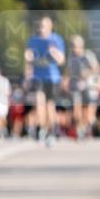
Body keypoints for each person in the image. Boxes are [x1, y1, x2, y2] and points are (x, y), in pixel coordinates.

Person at [24, 15, 65, 146]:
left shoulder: (56, 39)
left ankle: (52, 131)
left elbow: (61, 60)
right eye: (40, 26)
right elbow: (28, 60)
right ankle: (41, 129)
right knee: (39, 102)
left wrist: (54, 53)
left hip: (52, 77)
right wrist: (27, 75)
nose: (41, 29)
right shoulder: (33, 40)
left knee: (50, 106)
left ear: (50, 27)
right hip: (37, 77)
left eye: (44, 26)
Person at [66, 35, 100, 138]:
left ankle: (88, 126)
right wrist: (65, 80)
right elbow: (68, 71)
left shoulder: (88, 55)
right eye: (72, 46)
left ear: (81, 46)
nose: (74, 48)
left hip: (88, 86)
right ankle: (80, 129)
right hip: (75, 86)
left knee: (87, 112)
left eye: (76, 46)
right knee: (76, 109)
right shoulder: (71, 57)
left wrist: (87, 72)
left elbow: (97, 69)